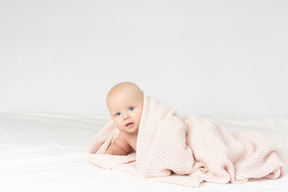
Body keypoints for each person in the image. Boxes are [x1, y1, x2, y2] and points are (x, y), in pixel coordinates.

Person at [104, 82, 143, 155]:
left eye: (131, 109)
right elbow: (119, 147)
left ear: (144, 106)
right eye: (118, 114)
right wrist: (110, 153)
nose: (125, 117)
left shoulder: (154, 125)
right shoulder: (125, 134)